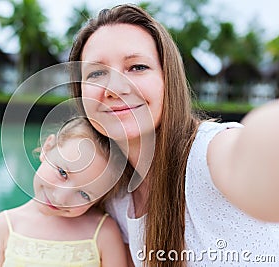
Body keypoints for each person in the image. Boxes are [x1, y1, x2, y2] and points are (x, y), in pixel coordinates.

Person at [68, 4, 279, 267]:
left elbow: (252, 159)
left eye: (137, 67)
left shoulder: (207, 153)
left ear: (169, 80)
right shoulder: (117, 198)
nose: (115, 88)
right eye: (96, 73)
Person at [0, 117, 129, 267]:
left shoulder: (104, 234)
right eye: (62, 173)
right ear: (47, 148)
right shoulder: (4, 226)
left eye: (84, 194)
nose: (60, 199)